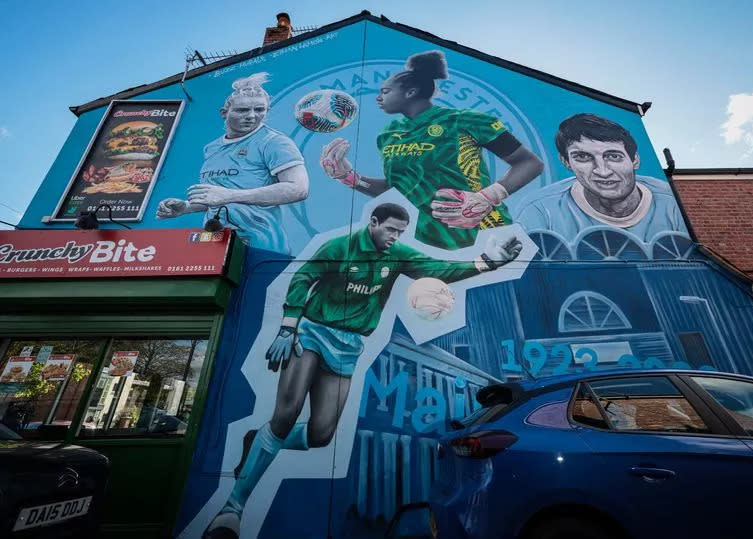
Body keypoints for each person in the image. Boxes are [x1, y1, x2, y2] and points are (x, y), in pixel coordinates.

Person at [204, 202, 523, 537]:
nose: (395, 237)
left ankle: (261, 441)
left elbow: (436, 268)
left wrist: (486, 262)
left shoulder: (396, 253)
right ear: (373, 222)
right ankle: (232, 510)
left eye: (401, 232)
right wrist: (287, 327)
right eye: (391, 230)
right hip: (312, 332)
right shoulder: (338, 247)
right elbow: (303, 278)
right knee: (286, 412)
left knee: (321, 434)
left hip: (349, 345)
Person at [319, 50, 543, 251]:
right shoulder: (388, 134)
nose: (379, 97)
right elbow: (398, 188)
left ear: (411, 92)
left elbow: (529, 163)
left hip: (486, 236)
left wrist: (487, 197)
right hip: (427, 246)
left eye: (385, 91)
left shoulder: (464, 121)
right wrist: (349, 178)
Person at [156, 73, 308, 255]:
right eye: (243, 110)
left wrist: (228, 195)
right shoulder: (211, 148)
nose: (252, 116)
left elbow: (298, 188)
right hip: (214, 244)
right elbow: (216, 197)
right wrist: (186, 207)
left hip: (260, 246)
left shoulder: (274, 142)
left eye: (260, 110)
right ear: (224, 113)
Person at [518, 113, 687, 241]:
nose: (603, 171)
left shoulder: (670, 203)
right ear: (566, 162)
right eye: (583, 157)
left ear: (635, 159)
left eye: (613, 156)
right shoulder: (540, 210)